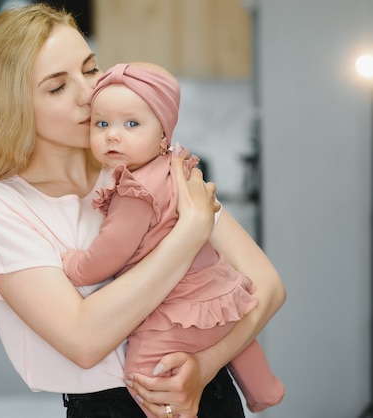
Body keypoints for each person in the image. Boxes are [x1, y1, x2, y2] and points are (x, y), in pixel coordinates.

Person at [0, 4, 286, 418]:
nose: (90, 93)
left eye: (90, 69)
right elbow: (85, 341)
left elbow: (267, 284)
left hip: (210, 392)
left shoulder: (141, 164)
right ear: (12, 106)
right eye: (56, 87)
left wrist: (206, 365)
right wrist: (189, 234)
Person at [61, 62, 285, 416]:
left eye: (131, 124)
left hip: (175, 310)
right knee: (230, 333)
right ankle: (265, 389)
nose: (113, 135)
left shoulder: (134, 191)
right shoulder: (177, 169)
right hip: (219, 291)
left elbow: (112, 250)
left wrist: (78, 266)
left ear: (163, 134)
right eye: (102, 124)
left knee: (142, 374)